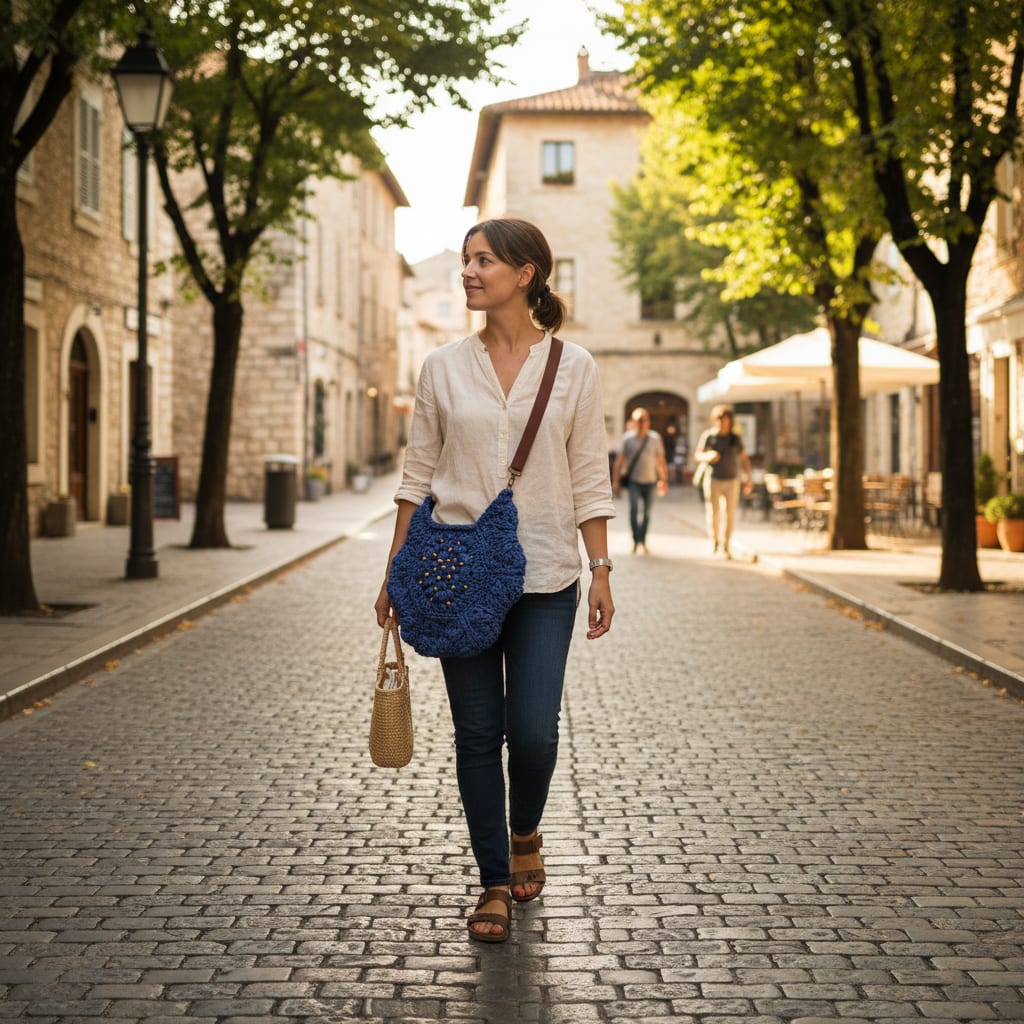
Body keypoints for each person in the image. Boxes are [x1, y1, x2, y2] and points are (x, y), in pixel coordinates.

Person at [374, 217, 616, 944]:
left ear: (526, 273)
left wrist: (600, 569)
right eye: (468, 260)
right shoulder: (443, 366)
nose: (469, 271)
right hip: (453, 573)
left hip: (546, 575)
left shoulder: (575, 368)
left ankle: (525, 831)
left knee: (534, 734)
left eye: (484, 261)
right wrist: (396, 567)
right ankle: (492, 882)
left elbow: (589, 476)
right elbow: (417, 475)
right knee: (478, 735)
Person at [694, 405, 753, 557]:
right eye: (720, 420)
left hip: (732, 479)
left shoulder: (735, 438)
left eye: (726, 420)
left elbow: (744, 458)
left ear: (730, 421)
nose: (723, 423)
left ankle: (726, 544)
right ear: (715, 420)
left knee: (730, 514)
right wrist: (708, 456)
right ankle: (715, 541)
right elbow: (697, 455)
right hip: (713, 479)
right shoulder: (709, 436)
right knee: (714, 513)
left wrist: (747, 478)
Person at [612, 407, 669, 553]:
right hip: (633, 482)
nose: (642, 423)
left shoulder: (655, 438)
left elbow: (660, 460)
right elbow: (619, 462)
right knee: (634, 510)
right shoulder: (627, 439)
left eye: (645, 420)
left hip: (650, 481)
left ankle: (642, 540)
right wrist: (616, 481)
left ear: (648, 422)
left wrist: (663, 479)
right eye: (639, 420)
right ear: (634, 422)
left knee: (647, 513)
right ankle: (635, 540)